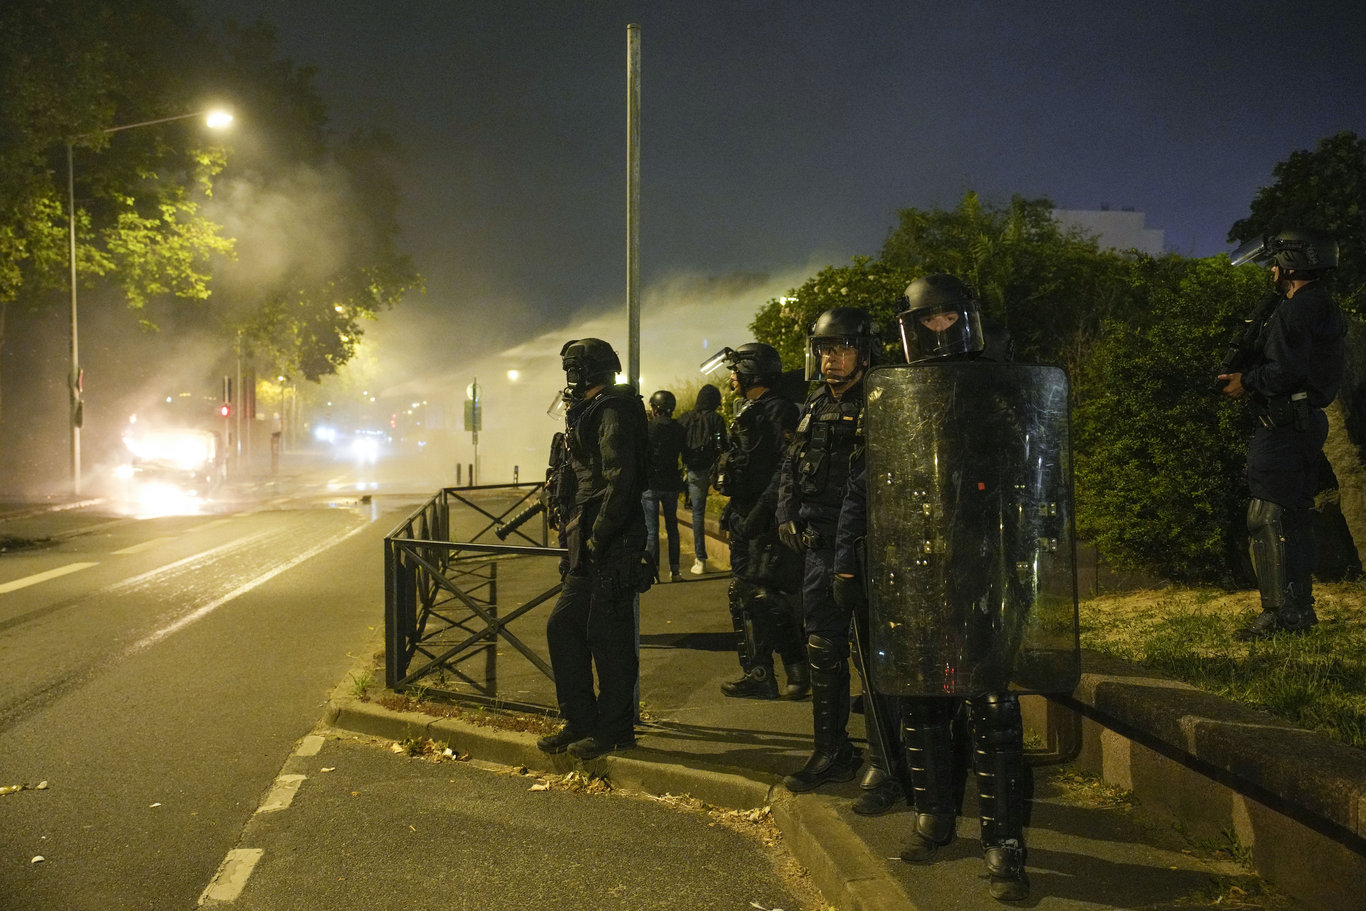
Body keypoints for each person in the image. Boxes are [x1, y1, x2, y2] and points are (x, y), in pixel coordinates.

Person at [864, 273, 1053, 902]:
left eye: (948, 317)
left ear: (966, 318)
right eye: (928, 319)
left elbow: (1030, 468)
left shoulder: (1000, 381)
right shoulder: (897, 387)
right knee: (922, 696)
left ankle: (1005, 846)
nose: (939, 328)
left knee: (991, 706)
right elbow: (876, 480)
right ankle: (935, 816)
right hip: (916, 561)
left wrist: (1023, 547)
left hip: (985, 562)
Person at [777, 307, 907, 814]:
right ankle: (832, 751)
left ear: (865, 350)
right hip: (818, 548)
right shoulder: (814, 402)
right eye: (825, 349)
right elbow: (792, 462)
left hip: (864, 550)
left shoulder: (882, 399)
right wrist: (786, 513)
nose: (831, 359)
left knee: (874, 656)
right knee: (824, 651)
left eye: (842, 348)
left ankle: (886, 764)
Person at [1220, 229, 1347, 639]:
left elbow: (1286, 371)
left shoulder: (1297, 310)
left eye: (1276, 263)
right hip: (1302, 420)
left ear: (1291, 264)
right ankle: (1298, 611)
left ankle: (1277, 615)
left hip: (1284, 424)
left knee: (1266, 515)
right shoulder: (1318, 305)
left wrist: (1246, 381)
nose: (1271, 269)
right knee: (1293, 515)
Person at [537, 338, 651, 760]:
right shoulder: (589, 409)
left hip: (611, 541)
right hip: (587, 539)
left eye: (571, 368)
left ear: (583, 371)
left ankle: (615, 730)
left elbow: (621, 480)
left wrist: (599, 534)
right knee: (564, 628)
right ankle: (580, 722)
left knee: (609, 639)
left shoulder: (612, 409)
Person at [705, 343, 808, 700]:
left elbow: (785, 465)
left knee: (768, 593)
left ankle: (795, 669)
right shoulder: (749, 408)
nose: (731, 376)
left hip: (765, 517)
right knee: (744, 592)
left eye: (737, 370)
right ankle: (760, 671)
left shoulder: (779, 410)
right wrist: (732, 509)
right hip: (744, 513)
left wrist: (763, 509)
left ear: (752, 372)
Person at [679, 383, 728, 574]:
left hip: (694, 471)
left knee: (698, 514)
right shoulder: (716, 418)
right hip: (715, 470)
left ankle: (700, 559)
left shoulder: (686, 419)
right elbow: (721, 444)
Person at [643, 390, 687, 582]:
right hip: (671, 483)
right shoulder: (679, 428)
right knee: (673, 528)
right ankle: (675, 571)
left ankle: (653, 573)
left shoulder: (648, 428)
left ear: (655, 408)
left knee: (652, 531)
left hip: (651, 483)